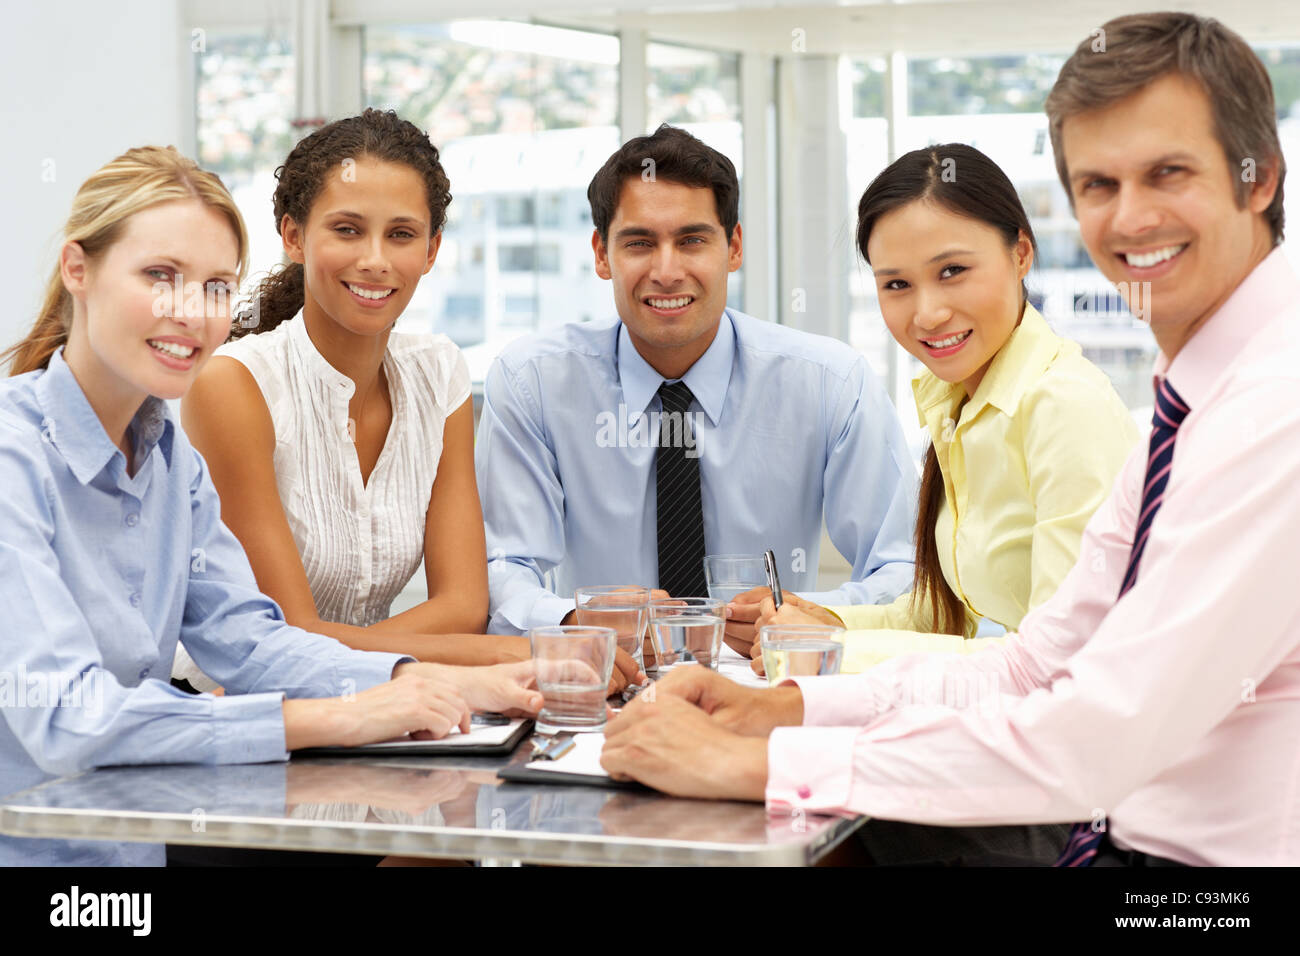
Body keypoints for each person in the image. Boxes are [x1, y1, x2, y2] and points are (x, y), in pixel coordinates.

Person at [601, 12, 1299, 867]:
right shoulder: (1186, 405)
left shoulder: (1273, 410)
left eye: (1167, 173)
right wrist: (791, 710)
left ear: (1258, 176)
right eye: (1097, 186)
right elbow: (1027, 665)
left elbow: (1091, 733)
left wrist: (762, 759)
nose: (1130, 218)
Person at [0, 146, 541, 867]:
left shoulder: (169, 461)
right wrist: (339, 716)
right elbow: (67, 716)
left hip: (137, 850)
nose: (190, 312)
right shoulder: (14, 460)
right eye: (160, 276)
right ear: (79, 271)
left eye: (216, 286)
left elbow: (251, 642)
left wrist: (429, 681)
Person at [476, 124, 918, 635]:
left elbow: (904, 569)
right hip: (603, 683)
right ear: (601, 255)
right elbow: (501, 568)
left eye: (691, 241)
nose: (666, 271)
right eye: (640, 243)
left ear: (733, 248)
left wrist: (820, 615)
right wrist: (575, 620)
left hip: (769, 680)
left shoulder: (830, 384)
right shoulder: (533, 383)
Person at [742, 145, 1139, 675]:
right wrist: (820, 619)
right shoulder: (959, 404)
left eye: (952, 270)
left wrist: (830, 652)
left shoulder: (1062, 405)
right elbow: (941, 616)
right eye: (897, 285)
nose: (927, 314)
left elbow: (1060, 657)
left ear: (1021, 253)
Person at [174, 110, 532, 693]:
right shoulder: (234, 385)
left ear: (433, 248)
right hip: (235, 710)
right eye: (346, 229)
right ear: (293, 236)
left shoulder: (440, 374)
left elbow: (465, 604)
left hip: (385, 707)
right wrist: (491, 656)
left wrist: (470, 652)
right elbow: (286, 635)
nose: (375, 260)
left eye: (401, 234)